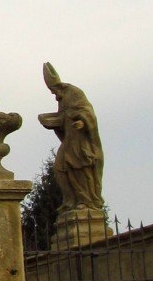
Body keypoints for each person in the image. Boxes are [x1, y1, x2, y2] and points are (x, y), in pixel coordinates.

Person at [38, 62, 104, 211]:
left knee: (81, 170)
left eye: (54, 91)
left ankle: (85, 201)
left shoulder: (74, 93)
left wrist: (82, 122)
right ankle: (70, 201)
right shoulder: (62, 99)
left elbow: (88, 113)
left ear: (60, 86)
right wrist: (51, 121)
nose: (54, 95)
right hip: (69, 140)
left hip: (80, 141)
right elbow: (64, 117)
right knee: (59, 169)